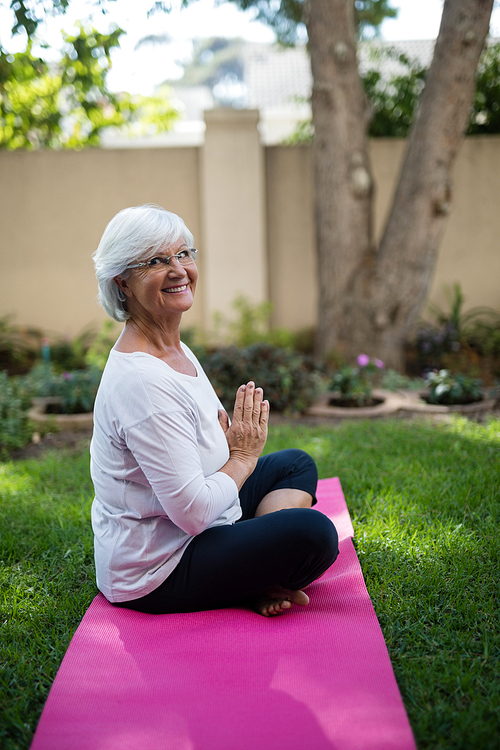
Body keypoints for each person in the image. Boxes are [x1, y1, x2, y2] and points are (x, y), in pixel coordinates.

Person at [90, 204, 338, 617]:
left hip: (205, 518)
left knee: (295, 464)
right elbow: (193, 513)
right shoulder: (142, 381)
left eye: (183, 254)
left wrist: (224, 447)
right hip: (159, 568)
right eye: (155, 261)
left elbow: (198, 443)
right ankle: (256, 573)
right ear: (123, 283)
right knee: (313, 534)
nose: (178, 269)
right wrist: (241, 457)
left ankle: (254, 566)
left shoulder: (173, 347)